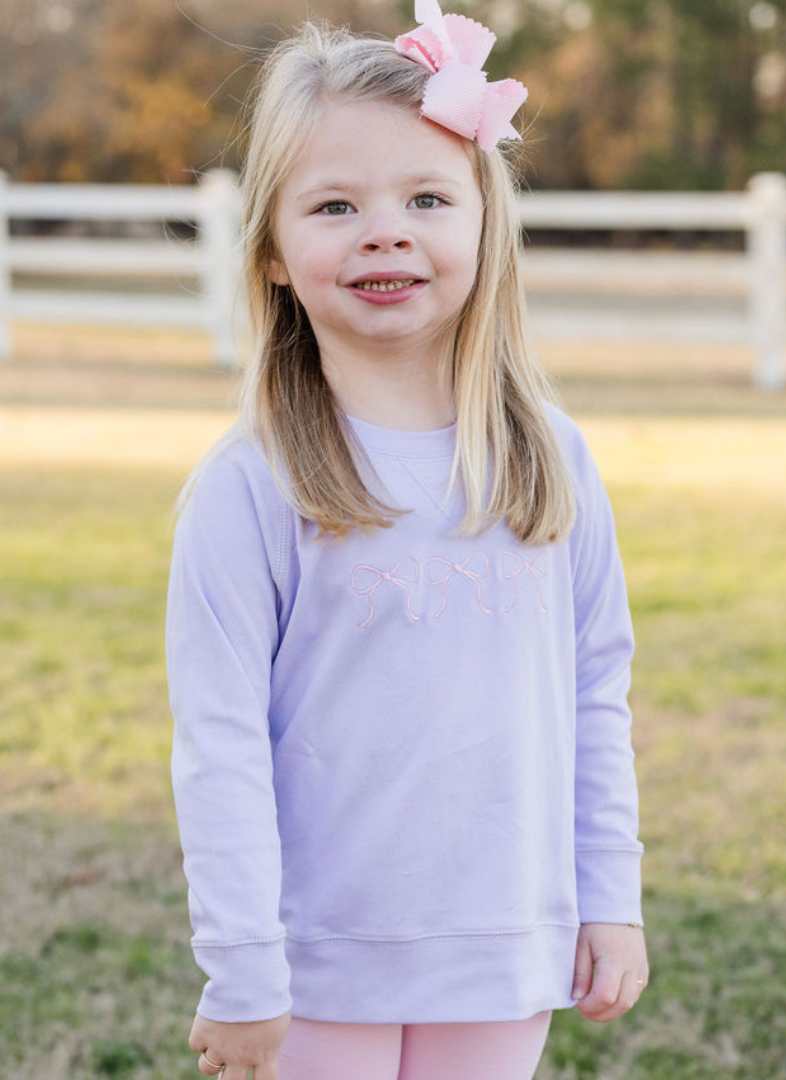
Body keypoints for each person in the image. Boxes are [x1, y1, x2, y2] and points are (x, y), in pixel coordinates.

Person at [165, 4, 648, 1078]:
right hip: (316, 968)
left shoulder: (549, 460)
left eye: (427, 198)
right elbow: (220, 746)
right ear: (276, 253)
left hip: (504, 952)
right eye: (334, 205)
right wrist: (244, 971)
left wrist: (609, 899)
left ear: (485, 225)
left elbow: (594, 693)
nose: (385, 230)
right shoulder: (250, 487)